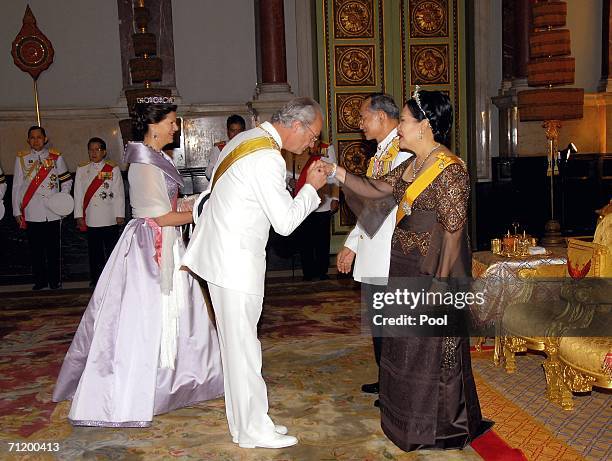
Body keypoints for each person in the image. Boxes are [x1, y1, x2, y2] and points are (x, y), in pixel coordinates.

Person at [325, 88, 492, 451]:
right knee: (403, 345)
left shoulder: (450, 170)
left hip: (431, 268)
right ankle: (402, 419)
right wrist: (338, 173)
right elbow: (377, 190)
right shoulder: (412, 163)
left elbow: (453, 231)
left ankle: (436, 427)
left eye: (403, 120)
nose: (398, 127)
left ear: (425, 125)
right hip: (403, 262)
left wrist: (440, 282)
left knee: (428, 349)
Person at [52, 98, 224, 427]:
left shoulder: (157, 157)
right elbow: (159, 217)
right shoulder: (144, 164)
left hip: (165, 240)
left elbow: (169, 203)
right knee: (145, 317)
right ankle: (140, 387)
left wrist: (195, 202)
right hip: (151, 247)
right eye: (172, 121)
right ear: (154, 125)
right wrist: (201, 211)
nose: (176, 127)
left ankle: (179, 379)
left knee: (176, 312)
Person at [183, 97, 329, 449]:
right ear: (296, 125)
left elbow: (214, 184)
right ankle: (252, 428)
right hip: (235, 262)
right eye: (313, 136)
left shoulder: (244, 139)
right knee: (244, 348)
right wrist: (311, 188)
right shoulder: (267, 157)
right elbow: (285, 222)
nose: (313, 144)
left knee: (236, 347)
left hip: (221, 255)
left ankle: (245, 425)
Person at [336, 94, 411, 400]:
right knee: (380, 322)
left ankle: (396, 387)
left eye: (364, 117)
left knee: (391, 323)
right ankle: (386, 378)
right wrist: (352, 243)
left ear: (381, 117)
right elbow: (369, 206)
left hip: (389, 251)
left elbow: (382, 204)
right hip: (373, 248)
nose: (360, 123)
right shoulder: (380, 154)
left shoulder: (403, 154)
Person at [12, 126, 72, 290]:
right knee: (36, 250)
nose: (36, 140)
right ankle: (40, 281)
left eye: (39, 137)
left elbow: (66, 180)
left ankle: (54, 280)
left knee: (53, 249)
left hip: (52, 211)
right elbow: (17, 186)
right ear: (28, 140)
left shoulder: (55, 157)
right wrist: (17, 210)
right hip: (32, 210)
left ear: (45, 139)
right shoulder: (22, 159)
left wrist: (62, 200)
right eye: (32, 137)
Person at [73, 137, 125, 287]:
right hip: (91, 217)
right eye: (91, 149)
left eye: (97, 149)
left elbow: (119, 193)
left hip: (109, 216)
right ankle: (96, 279)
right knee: (94, 252)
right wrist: (79, 215)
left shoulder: (112, 168)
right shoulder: (82, 169)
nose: (94, 152)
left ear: (104, 152)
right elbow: (78, 194)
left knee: (111, 250)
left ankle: (113, 279)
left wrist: (119, 213)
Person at [289, 139, 339, 281]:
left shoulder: (327, 149)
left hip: (323, 201)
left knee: (322, 240)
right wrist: (290, 182)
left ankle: (322, 271)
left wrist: (335, 197)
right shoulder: (298, 146)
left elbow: (334, 174)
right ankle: (308, 272)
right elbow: (288, 173)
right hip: (304, 202)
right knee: (306, 240)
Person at [205, 114, 247, 181]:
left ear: (244, 131)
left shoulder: (249, 147)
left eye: (239, 131)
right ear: (228, 131)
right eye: (233, 131)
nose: (236, 135)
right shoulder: (219, 149)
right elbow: (209, 173)